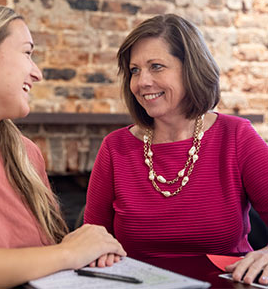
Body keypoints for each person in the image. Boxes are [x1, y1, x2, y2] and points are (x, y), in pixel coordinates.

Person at [0, 2, 126, 288]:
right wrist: (68, 253)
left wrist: (86, 254)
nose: (37, 73)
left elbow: (48, 262)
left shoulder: (26, 154)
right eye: (27, 53)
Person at [84, 14, 268, 286]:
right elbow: (91, 239)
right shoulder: (115, 148)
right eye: (135, 70)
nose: (142, 82)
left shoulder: (237, 136)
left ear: (191, 69)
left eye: (156, 66)